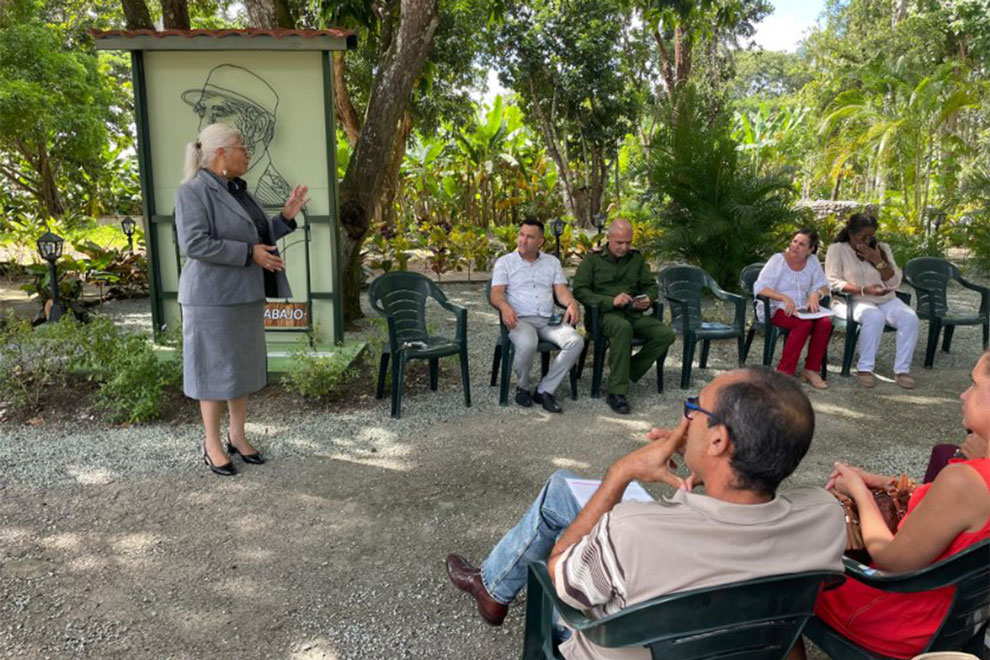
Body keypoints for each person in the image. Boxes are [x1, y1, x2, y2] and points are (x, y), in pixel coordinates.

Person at [445, 367, 846, 660]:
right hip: (747, 641)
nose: (686, 420)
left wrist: (621, 473)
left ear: (719, 439)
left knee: (559, 491)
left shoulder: (630, 531)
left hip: (619, 643)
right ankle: (492, 585)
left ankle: (494, 588)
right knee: (563, 487)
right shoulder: (825, 518)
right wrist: (709, 467)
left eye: (694, 410)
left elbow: (559, 574)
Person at [793, 351, 990, 659]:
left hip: (906, 620)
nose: (963, 394)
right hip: (963, 619)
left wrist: (861, 493)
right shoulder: (973, 476)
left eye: (974, 384)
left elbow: (889, 561)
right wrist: (886, 481)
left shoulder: (964, 480)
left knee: (781, 579)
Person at [175, 123, 309, 476]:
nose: (247, 152)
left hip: (243, 295)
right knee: (213, 371)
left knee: (241, 367)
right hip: (211, 299)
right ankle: (212, 443)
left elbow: (259, 235)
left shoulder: (237, 190)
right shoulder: (193, 191)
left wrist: (285, 217)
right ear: (220, 153)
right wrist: (249, 255)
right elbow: (194, 244)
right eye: (241, 146)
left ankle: (236, 435)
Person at [572, 219, 675, 413]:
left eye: (628, 242)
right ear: (608, 238)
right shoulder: (592, 260)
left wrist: (648, 299)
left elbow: (650, 286)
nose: (624, 247)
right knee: (622, 327)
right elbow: (580, 291)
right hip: (603, 316)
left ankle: (627, 370)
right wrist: (611, 301)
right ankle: (616, 392)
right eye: (619, 242)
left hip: (632, 313)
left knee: (665, 334)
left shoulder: (635, 259)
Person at [490, 218, 583, 413]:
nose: (523, 240)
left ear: (540, 241)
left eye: (530, 237)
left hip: (548, 320)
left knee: (575, 341)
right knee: (527, 344)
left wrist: (572, 302)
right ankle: (523, 387)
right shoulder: (505, 262)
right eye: (521, 235)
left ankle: (545, 389)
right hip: (520, 319)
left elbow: (561, 290)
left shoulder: (552, 262)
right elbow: (496, 293)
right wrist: (505, 307)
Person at [824, 213, 919, 389]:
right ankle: (865, 369)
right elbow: (833, 281)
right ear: (851, 233)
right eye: (863, 237)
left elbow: (894, 280)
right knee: (874, 317)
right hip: (851, 301)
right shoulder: (838, 249)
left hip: (884, 298)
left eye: (871, 236)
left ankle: (902, 370)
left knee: (909, 318)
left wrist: (877, 260)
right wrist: (864, 290)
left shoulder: (882, 248)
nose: (867, 241)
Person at [753, 229, 832, 389]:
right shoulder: (778, 260)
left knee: (825, 323)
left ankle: (811, 370)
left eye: (801, 244)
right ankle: (784, 373)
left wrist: (816, 294)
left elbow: (824, 286)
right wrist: (783, 297)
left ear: (810, 249)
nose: (795, 246)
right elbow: (760, 288)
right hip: (776, 307)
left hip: (802, 308)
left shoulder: (813, 261)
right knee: (803, 325)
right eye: (794, 241)